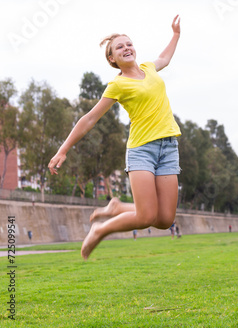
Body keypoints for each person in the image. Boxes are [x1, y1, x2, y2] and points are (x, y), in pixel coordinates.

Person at [48, 15, 183, 259]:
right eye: (119, 47)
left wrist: (175, 35)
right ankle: (101, 229)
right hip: (142, 150)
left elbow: (164, 58)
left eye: (128, 44)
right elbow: (90, 118)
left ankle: (117, 207)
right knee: (145, 217)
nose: (126, 48)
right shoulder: (117, 85)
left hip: (169, 148)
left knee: (165, 219)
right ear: (112, 58)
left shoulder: (148, 68)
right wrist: (63, 149)